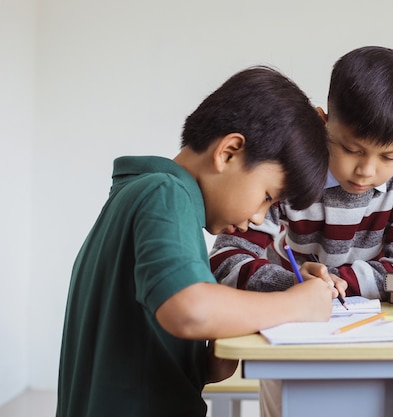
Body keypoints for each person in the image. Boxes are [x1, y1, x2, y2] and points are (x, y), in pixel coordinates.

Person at [55, 66, 336, 417]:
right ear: (229, 151)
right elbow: (190, 311)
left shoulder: (143, 195)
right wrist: (297, 305)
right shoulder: (166, 194)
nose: (259, 218)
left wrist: (207, 362)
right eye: (266, 196)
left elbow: (145, 354)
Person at [209, 45, 393, 417]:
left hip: (379, 341)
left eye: (387, 157)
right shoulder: (289, 162)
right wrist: (293, 287)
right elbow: (227, 257)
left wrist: (329, 285)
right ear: (322, 121)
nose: (366, 170)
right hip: (294, 337)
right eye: (350, 148)